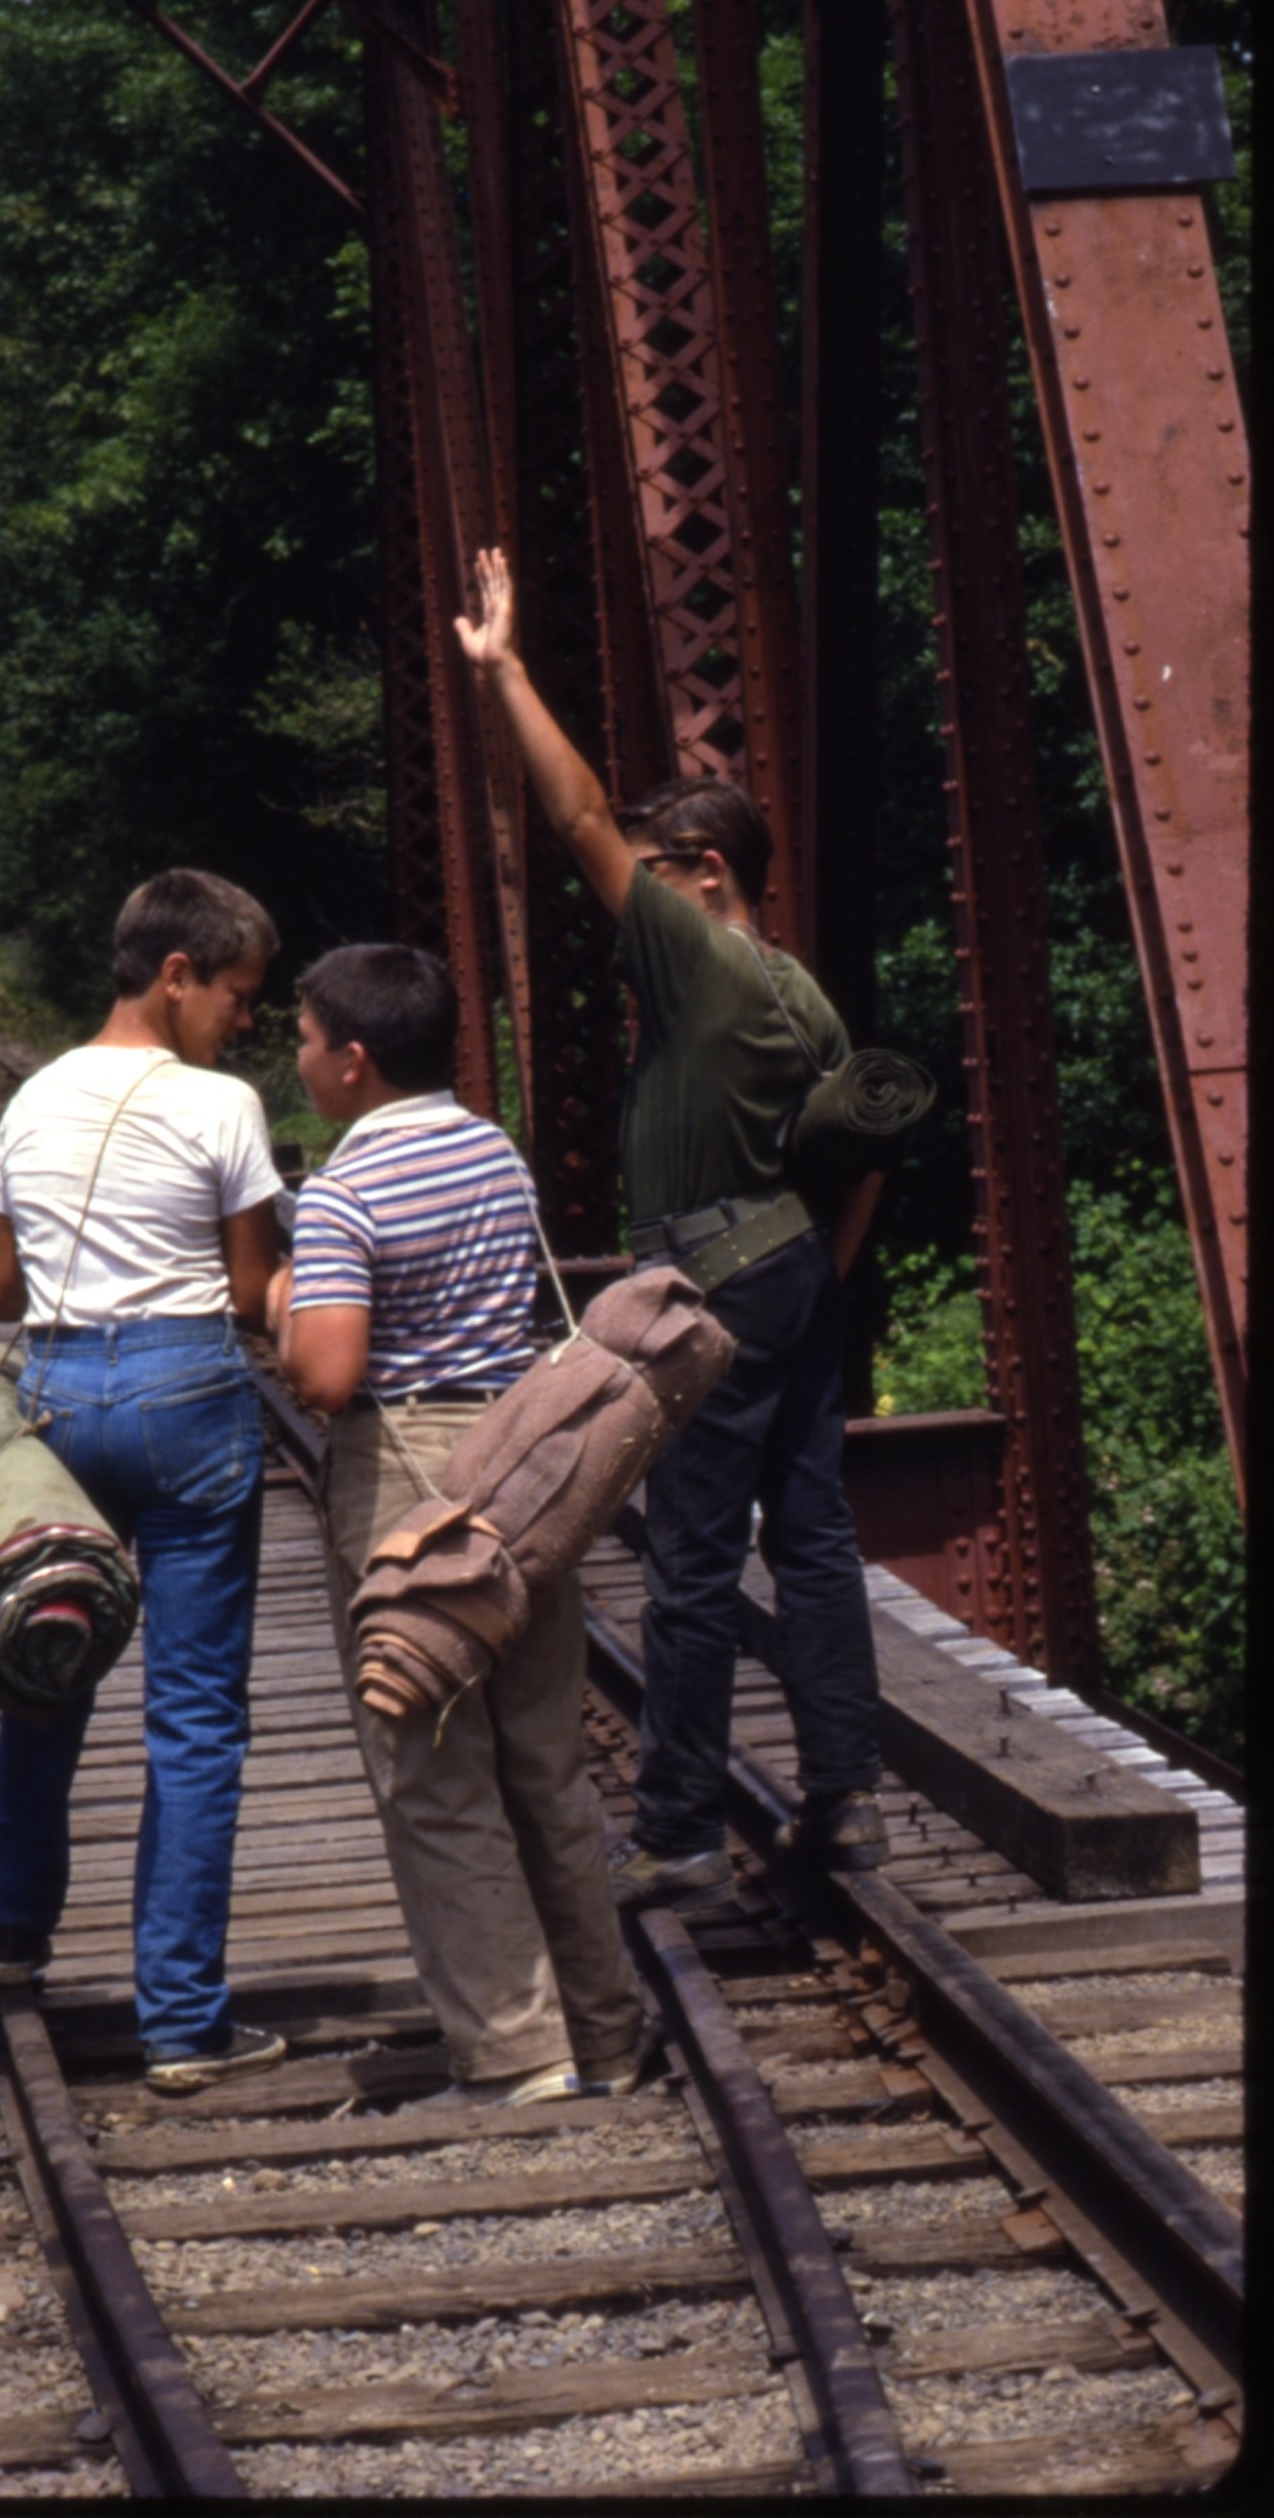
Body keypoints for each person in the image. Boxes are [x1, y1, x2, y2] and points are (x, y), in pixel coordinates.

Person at [456, 547, 890, 1900]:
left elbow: (581, 818)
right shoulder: (802, 993)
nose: (625, 901)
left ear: (702, 874)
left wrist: (506, 669)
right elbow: (867, 1155)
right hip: (791, 1280)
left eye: (651, 877)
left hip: (710, 1282)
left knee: (695, 1560)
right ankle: (843, 1799)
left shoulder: (704, 964)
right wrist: (815, 1275)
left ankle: (681, 1829)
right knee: (811, 1538)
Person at [269, 943, 656, 2108]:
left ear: (353, 1059)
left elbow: (329, 1378)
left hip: (412, 1477)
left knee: (432, 1765)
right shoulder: (493, 1150)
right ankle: (605, 2034)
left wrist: (287, 1301)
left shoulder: (342, 1191)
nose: (293, 1057)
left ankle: (512, 2048)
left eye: (301, 1039)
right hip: (526, 1466)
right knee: (544, 1757)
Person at [0, 869, 290, 2094]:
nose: (244, 1021)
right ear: (175, 977)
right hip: (185, 1394)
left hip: (56, 1396)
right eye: (236, 995)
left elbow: (4, 1292)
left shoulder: (33, 1098)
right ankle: (179, 2021)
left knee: (45, 1668)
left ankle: (10, 1938)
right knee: (195, 1715)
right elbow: (253, 1285)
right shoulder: (221, 1105)